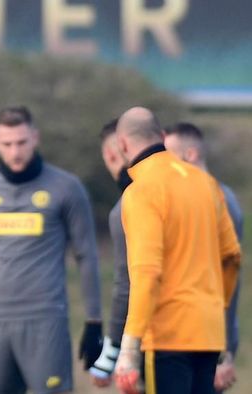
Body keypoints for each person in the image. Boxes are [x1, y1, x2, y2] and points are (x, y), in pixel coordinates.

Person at [0, 106, 103, 394]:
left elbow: (86, 256)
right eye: (7, 144)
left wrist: (94, 320)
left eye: (21, 142)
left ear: (35, 138)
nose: (15, 151)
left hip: (45, 320)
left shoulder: (66, 187)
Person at [113, 107, 241, 394]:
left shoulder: (141, 191)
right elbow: (231, 257)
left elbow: (147, 272)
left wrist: (130, 346)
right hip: (208, 332)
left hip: (167, 336)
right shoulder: (206, 183)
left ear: (122, 144)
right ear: (160, 137)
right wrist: (215, 306)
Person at [164, 122, 243, 393]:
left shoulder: (220, 203)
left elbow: (228, 285)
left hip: (207, 339)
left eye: (169, 157)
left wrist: (225, 351)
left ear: (191, 155)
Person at [89, 119, 131, 386]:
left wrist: (112, 349)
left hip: (157, 344)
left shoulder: (126, 209)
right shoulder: (194, 192)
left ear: (110, 155)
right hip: (205, 339)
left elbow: (127, 284)